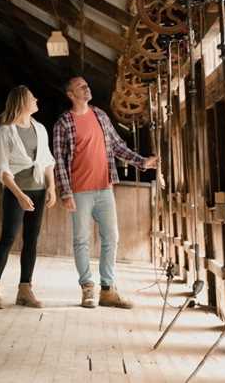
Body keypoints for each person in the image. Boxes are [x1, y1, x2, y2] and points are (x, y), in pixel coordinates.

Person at [53, 77, 158, 309]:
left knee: (111, 238)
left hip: (104, 188)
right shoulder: (64, 123)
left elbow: (118, 145)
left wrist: (142, 162)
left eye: (86, 84)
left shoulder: (100, 115)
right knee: (81, 240)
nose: (87, 87)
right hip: (79, 191)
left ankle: (108, 290)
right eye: (81, 86)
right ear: (71, 94)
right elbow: (59, 161)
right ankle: (87, 289)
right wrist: (65, 192)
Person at [0, 86, 57, 309]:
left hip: (38, 191)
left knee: (31, 240)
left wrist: (51, 188)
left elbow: (46, 161)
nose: (36, 99)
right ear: (21, 102)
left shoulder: (40, 128)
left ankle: (25, 290)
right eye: (32, 97)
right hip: (16, 191)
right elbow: (2, 169)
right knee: (8, 237)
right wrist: (18, 195)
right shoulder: (5, 132)